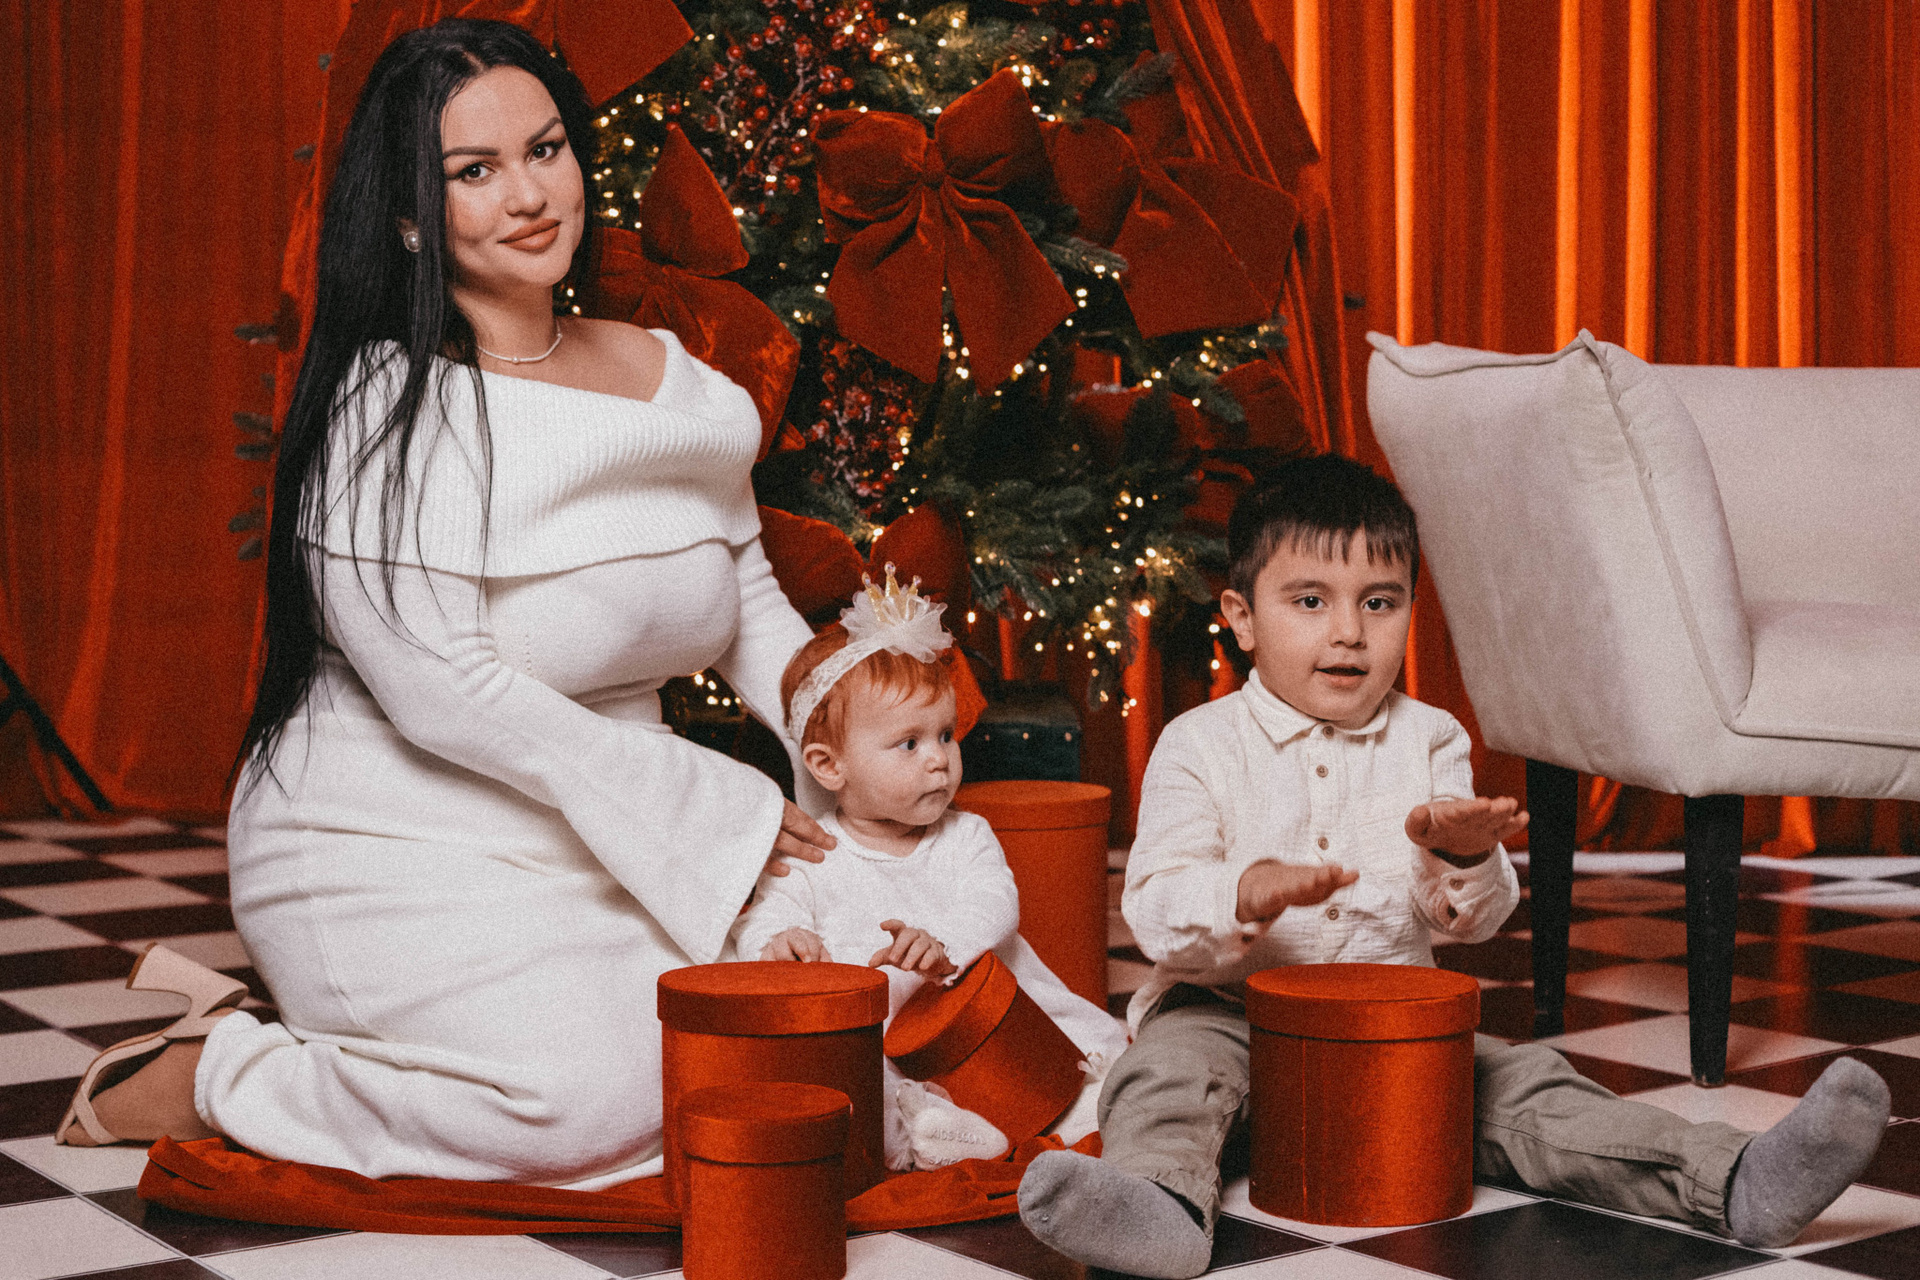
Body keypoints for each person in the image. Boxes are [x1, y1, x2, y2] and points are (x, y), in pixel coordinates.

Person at [56, 18, 839, 1190]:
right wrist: (718, 808)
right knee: (576, 1112)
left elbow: (754, 603)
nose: (530, 195)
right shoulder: (385, 414)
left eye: (546, 149)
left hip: (606, 813)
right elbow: (444, 695)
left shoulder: (673, 379)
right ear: (414, 218)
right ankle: (220, 1070)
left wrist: (846, 749)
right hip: (391, 822)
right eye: (475, 170)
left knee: (788, 1029)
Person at [1017, 454, 1892, 1277]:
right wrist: (1241, 894)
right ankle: (1161, 1208)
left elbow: (1470, 923)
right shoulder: (1198, 744)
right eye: (1311, 601)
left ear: (1410, 609)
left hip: (1394, 1030)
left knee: (1532, 1088)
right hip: (1226, 1014)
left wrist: (1465, 858)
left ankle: (1732, 1179)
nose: (1349, 633)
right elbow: (1157, 907)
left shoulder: (1431, 738)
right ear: (1242, 617)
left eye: (1380, 602)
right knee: (1164, 1077)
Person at [732, 571, 1130, 1171]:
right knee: (857, 1078)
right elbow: (769, 912)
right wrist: (780, 941)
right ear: (830, 766)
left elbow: (994, 904)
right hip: (889, 1033)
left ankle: (1063, 1104)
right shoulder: (813, 854)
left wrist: (943, 943)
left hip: (983, 1018)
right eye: (909, 743)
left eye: (945, 735)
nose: (940, 759)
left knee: (1063, 1058)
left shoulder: (965, 834)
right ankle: (936, 1127)